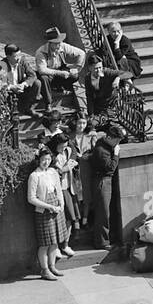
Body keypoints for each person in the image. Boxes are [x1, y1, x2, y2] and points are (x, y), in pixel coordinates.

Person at [27, 147, 67, 280]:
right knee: (45, 243)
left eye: (49, 159)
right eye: (43, 159)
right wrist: (49, 206)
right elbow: (31, 198)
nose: (46, 162)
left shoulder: (53, 172)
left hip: (56, 209)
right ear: (38, 160)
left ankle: (52, 266)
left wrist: (61, 204)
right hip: (43, 211)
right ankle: (44, 270)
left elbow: (59, 190)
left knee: (54, 241)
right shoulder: (34, 176)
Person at [34, 26, 87, 120]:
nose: (59, 45)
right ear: (50, 43)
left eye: (60, 42)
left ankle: (59, 87)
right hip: (48, 74)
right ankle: (48, 103)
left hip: (59, 72)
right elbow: (42, 70)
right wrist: (59, 73)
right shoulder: (41, 52)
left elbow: (81, 53)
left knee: (74, 76)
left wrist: (77, 67)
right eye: (56, 43)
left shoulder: (62, 46)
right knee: (43, 78)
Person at [89, 124, 125, 252]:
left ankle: (107, 237)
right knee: (103, 213)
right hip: (102, 181)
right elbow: (110, 168)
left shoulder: (104, 143)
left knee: (106, 211)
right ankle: (102, 242)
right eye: (116, 140)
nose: (118, 143)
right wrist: (115, 155)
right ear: (109, 138)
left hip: (105, 181)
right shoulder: (101, 150)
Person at [51, 135, 81, 258]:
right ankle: (56, 247)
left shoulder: (68, 150)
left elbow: (74, 152)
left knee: (70, 218)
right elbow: (51, 172)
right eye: (61, 145)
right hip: (58, 189)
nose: (64, 147)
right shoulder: (51, 156)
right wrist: (64, 169)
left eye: (65, 145)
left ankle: (65, 244)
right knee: (58, 220)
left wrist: (72, 164)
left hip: (70, 187)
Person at [81, 51, 135, 120]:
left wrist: (118, 78)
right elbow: (89, 97)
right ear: (90, 68)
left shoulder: (107, 72)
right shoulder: (88, 78)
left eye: (100, 67)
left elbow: (129, 74)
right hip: (98, 105)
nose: (99, 70)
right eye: (96, 68)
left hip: (111, 104)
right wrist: (91, 114)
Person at [0, 44, 44, 117]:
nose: (18, 58)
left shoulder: (22, 61)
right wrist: (12, 87)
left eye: (19, 55)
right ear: (8, 57)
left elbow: (32, 75)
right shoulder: (1, 65)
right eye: (15, 56)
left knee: (37, 83)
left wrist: (24, 84)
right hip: (9, 92)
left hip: (21, 89)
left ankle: (29, 108)